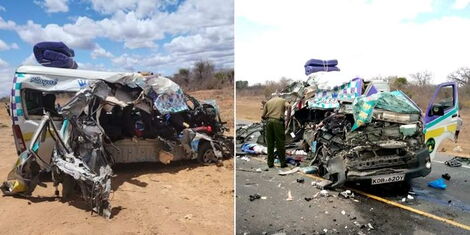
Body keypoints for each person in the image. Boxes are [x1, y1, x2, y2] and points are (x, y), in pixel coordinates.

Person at [261, 95, 290, 168]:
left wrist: (267, 118)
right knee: (280, 143)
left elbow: (263, 116)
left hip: (269, 122)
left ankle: (270, 163)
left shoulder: (268, 102)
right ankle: (282, 163)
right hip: (278, 123)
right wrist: (288, 119)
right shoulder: (283, 100)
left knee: (270, 144)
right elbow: (289, 106)